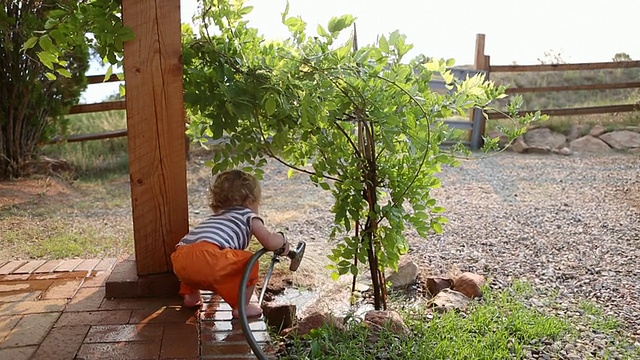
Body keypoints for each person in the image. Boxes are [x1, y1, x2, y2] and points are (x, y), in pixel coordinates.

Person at [171, 169, 290, 318]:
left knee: (197, 259)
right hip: (208, 258)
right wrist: (282, 239)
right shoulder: (248, 215)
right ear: (250, 201)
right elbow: (270, 242)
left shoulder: (215, 218)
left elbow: (196, 254)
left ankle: (192, 296)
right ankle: (242, 307)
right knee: (249, 262)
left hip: (180, 258)